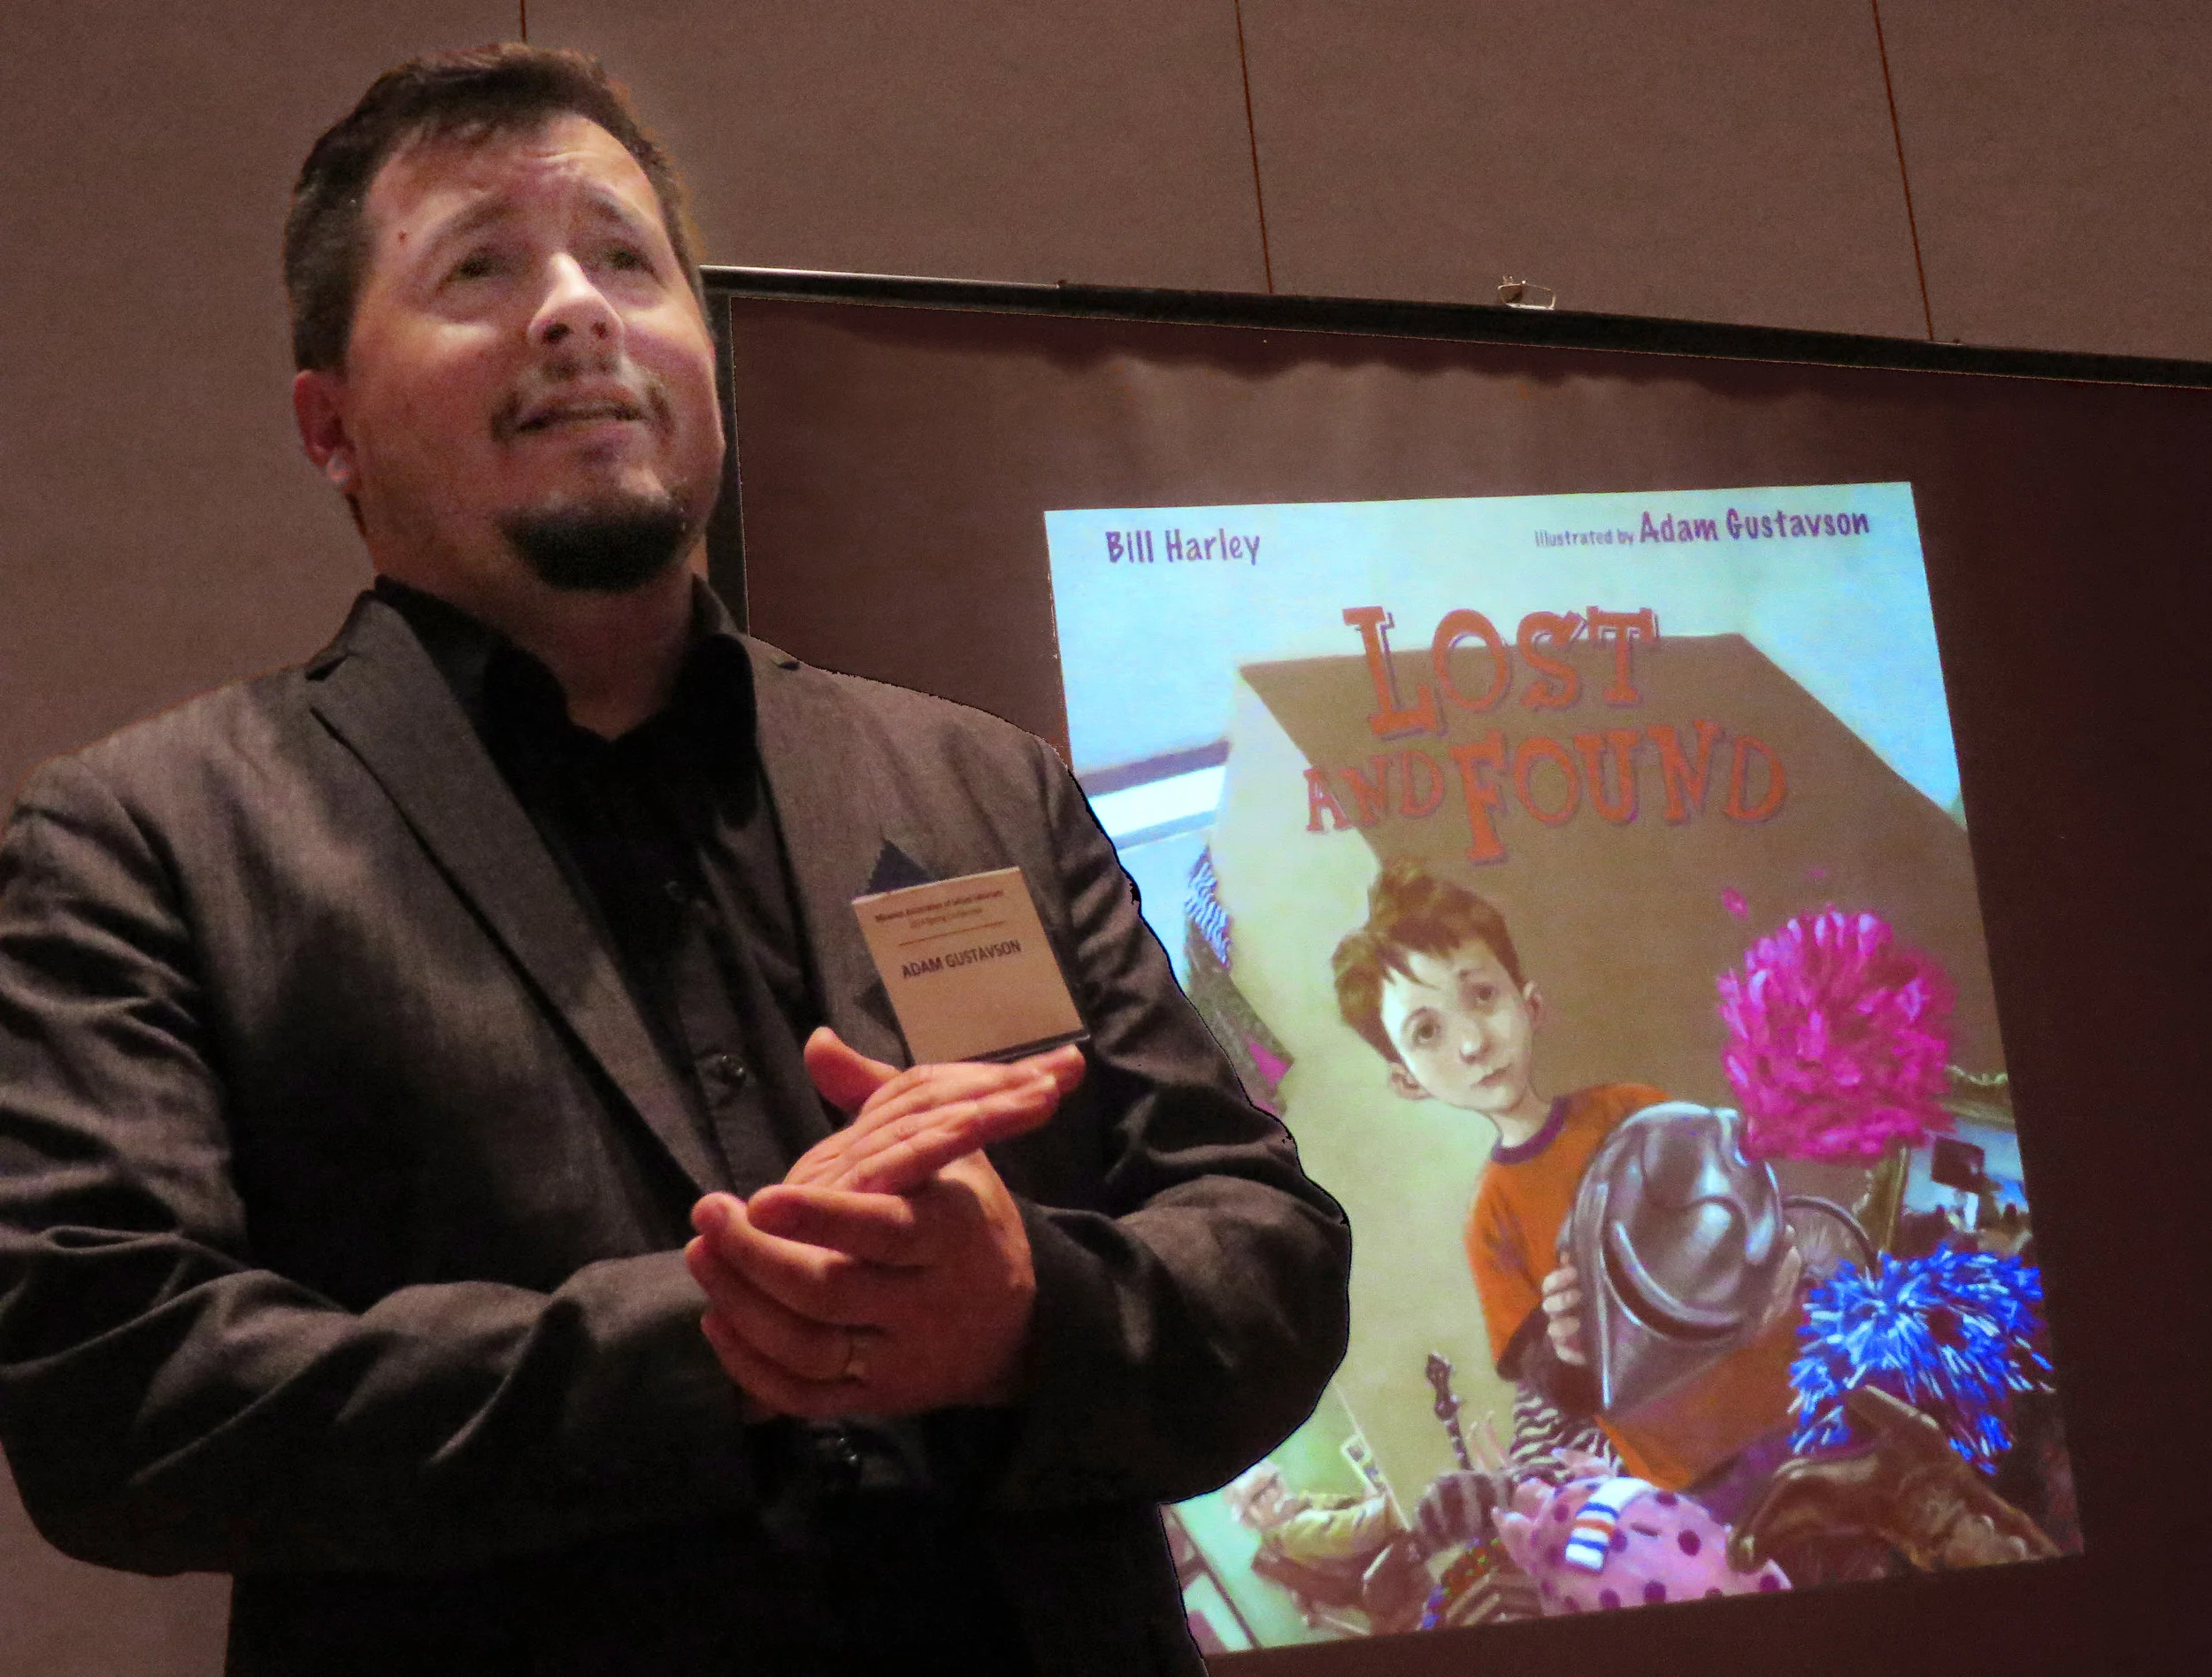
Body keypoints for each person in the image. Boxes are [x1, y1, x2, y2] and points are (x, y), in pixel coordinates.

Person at [0, 45, 1349, 1677]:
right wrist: (715, 1342)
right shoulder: (148, 840)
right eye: (480, 269)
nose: (576, 309)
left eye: (626, 259)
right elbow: (117, 1402)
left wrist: (1026, 1317)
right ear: (330, 429)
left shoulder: (980, 782)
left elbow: (1265, 1255)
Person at [1330, 859, 1794, 1499]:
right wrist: (1570, 1348)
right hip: (1698, 1471)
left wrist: (1785, 1271)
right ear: (1408, 1078)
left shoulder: (1635, 1109)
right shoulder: (1491, 1220)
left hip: (1799, 1384)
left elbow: (1749, 1211)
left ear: (1530, 1002)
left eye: (1482, 995)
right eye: (1427, 1031)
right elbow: (1556, 1385)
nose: (1470, 1041)